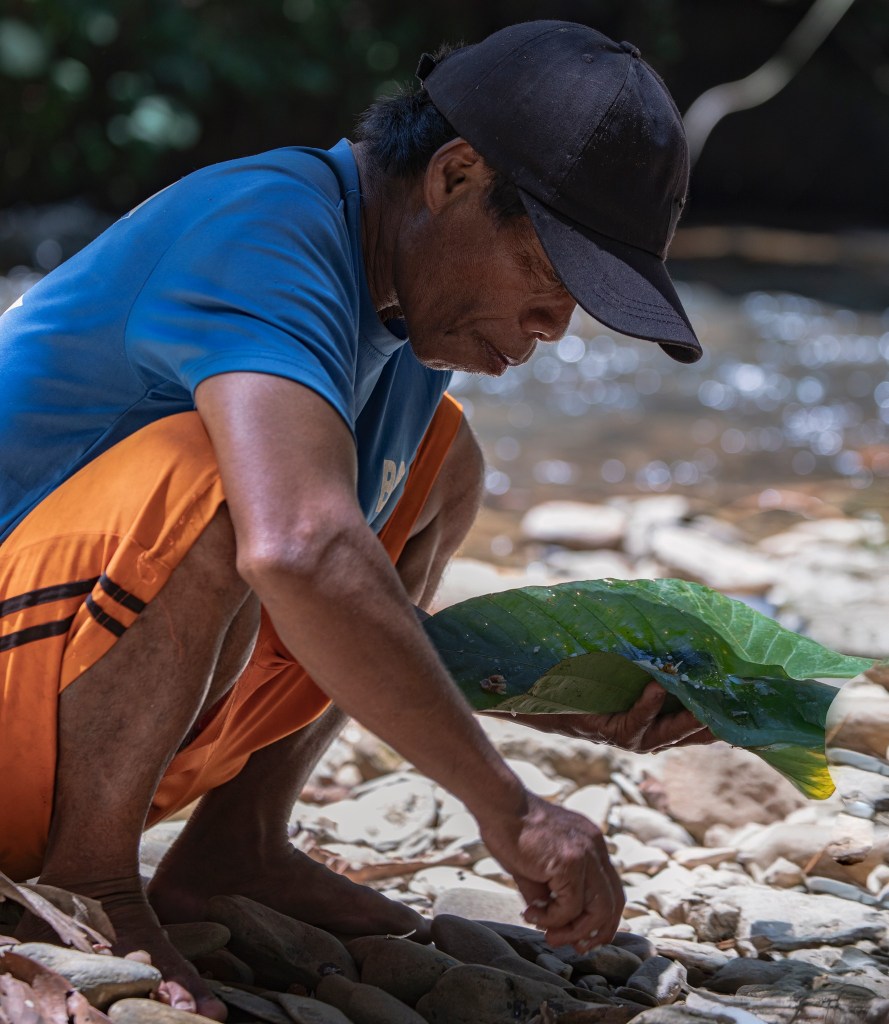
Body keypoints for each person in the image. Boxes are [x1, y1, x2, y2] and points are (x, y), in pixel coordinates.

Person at [0, 20, 713, 1018]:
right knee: (237, 490)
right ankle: (90, 883)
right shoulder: (265, 229)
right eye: (550, 274)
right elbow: (295, 553)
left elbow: (325, 599)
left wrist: (555, 686)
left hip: (47, 694)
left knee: (442, 463)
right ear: (454, 176)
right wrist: (511, 810)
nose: (556, 326)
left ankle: (238, 846)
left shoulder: (400, 320)